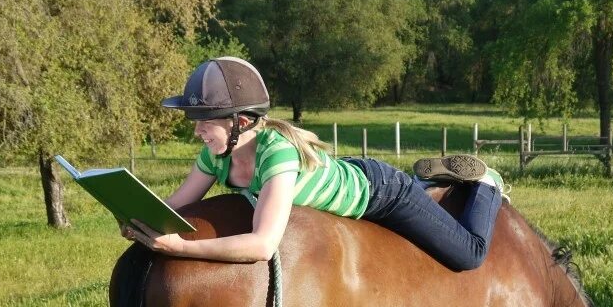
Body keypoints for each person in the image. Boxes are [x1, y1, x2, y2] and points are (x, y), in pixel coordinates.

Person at [123, 57, 505, 271]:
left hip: (383, 194)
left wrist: (179, 249)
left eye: (205, 121)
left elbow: (262, 245)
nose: (198, 132)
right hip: (345, 174)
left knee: (469, 255)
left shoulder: (277, 154)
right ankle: (426, 184)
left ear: (239, 122)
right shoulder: (215, 153)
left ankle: (485, 183)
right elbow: (177, 205)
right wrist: (134, 215)